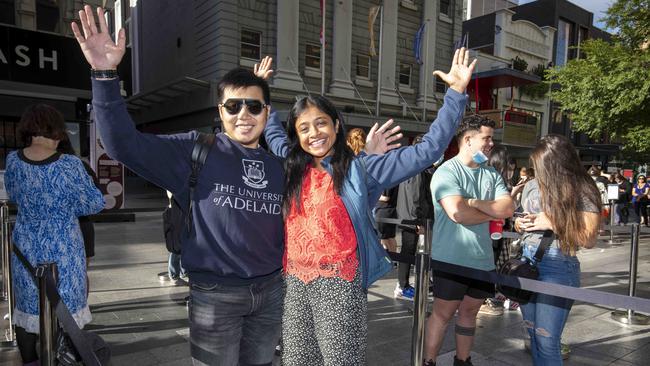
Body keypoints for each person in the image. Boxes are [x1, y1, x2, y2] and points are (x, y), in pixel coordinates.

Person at [70, 8, 399, 365]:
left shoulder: (284, 164)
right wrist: (104, 76)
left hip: (272, 293)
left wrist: (364, 157)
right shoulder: (194, 150)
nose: (244, 113)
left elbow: (332, 186)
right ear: (220, 111)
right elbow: (123, 145)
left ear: (266, 111)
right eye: (234, 105)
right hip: (215, 296)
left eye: (253, 106)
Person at [263, 48, 474, 365]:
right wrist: (261, 92)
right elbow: (272, 130)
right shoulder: (292, 165)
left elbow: (428, 151)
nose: (313, 133)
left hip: (339, 285)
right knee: (296, 360)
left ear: (336, 125)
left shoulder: (361, 169)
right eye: (303, 128)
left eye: (320, 124)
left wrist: (456, 94)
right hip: (294, 285)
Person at [6, 104, 105, 366]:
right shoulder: (70, 164)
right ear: (56, 130)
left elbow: (14, 195)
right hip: (64, 251)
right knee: (67, 312)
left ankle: (30, 361)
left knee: (28, 311)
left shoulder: (13, 160)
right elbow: (94, 203)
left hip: (26, 248)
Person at [423, 114, 514, 366]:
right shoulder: (446, 172)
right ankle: (428, 361)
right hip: (450, 259)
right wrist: (489, 210)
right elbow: (457, 213)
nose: (490, 144)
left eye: (491, 139)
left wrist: (472, 202)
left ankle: (462, 360)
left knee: (470, 313)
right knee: (442, 314)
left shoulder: (491, 174)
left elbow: (507, 208)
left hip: (483, 261)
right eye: (486, 138)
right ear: (468, 139)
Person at [514, 135, 600, 365]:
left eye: (542, 166)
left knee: (546, 339)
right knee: (532, 334)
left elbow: (588, 239)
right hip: (526, 260)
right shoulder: (532, 185)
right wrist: (519, 223)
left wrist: (552, 222)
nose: (537, 172)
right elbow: (521, 216)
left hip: (558, 263)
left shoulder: (582, 187)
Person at [57, 135, 101, 298]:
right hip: (82, 226)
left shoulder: (77, 166)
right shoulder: (81, 165)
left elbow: (96, 198)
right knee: (80, 274)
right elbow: (96, 197)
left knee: (76, 274)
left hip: (78, 227)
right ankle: (78, 311)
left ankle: (75, 311)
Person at [394, 134, 434, 301]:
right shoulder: (417, 168)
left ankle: (403, 285)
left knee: (408, 252)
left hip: (407, 217)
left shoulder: (409, 166)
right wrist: (418, 221)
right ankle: (403, 286)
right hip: (414, 219)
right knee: (409, 253)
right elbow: (416, 196)